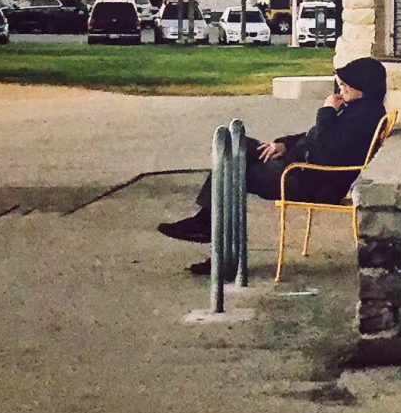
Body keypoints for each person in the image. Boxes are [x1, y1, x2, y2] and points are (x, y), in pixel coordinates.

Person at [157, 56, 388, 275]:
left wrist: (326, 111)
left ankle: (215, 242)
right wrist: (283, 145)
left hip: (309, 182)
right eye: (341, 83)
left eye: (347, 85)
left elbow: (325, 151)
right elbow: (312, 136)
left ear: (365, 88)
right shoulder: (358, 110)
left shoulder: (363, 119)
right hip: (302, 170)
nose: (342, 89)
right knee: (241, 146)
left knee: (234, 170)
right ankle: (208, 226)